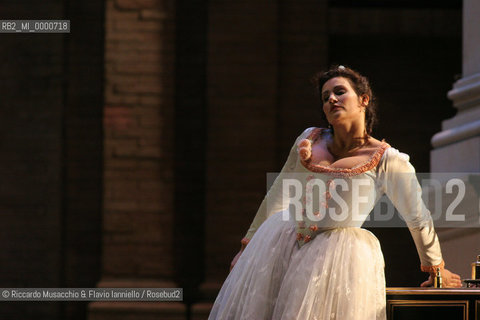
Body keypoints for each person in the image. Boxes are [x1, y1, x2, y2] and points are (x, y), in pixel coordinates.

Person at [208, 65, 462, 320]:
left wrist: (435, 267)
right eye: (325, 96)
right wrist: (247, 247)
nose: (331, 99)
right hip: (281, 243)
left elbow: (417, 216)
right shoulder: (309, 139)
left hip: (335, 258)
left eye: (340, 92)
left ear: (364, 99)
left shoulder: (388, 160)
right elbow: (278, 193)